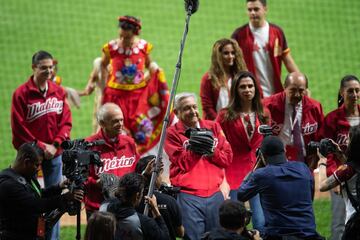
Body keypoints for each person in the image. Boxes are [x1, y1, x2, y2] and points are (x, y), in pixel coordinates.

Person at [10, 50, 72, 240]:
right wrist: (40, 146)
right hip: (29, 158)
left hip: (55, 155)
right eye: (43, 68)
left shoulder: (58, 92)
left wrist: (55, 144)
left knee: (55, 202)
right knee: (29, 198)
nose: (48, 71)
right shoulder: (21, 94)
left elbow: (66, 122)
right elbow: (19, 127)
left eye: (50, 67)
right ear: (33, 68)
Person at [164, 92, 233, 240]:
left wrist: (211, 151)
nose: (193, 111)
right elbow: (184, 163)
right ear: (177, 112)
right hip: (188, 197)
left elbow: (227, 158)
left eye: (194, 107)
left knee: (219, 237)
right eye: (187, 108)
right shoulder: (172, 133)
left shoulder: (213, 127)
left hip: (215, 194)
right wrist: (197, 148)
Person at [100, 15, 169, 155]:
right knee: (116, 130)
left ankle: (137, 160)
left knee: (140, 131)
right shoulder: (111, 47)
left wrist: (153, 75)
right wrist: (103, 84)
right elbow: (102, 65)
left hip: (138, 98)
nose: (122, 32)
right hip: (115, 97)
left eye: (126, 29)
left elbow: (149, 65)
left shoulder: (143, 47)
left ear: (134, 31)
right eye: (121, 28)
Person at [237, 136, 324, 240]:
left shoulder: (262, 175)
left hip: (278, 236)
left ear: (262, 155)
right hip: (309, 235)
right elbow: (310, 198)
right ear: (284, 150)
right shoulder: (303, 168)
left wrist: (256, 167)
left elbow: (241, 194)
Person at [216, 71, 270, 233]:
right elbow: (218, 142)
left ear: (256, 89)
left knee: (261, 223)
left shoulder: (264, 113)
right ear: (236, 91)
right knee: (234, 224)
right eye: (242, 87)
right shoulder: (225, 115)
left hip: (258, 173)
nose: (247, 90)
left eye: (250, 86)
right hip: (233, 173)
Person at [0, 142, 83, 240]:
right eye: (37, 165)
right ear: (26, 162)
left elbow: (37, 194)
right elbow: (37, 205)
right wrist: (65, 197)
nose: (38, 168)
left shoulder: (24, 176)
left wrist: (59, 187)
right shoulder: (9, 185)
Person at [319, 75, 360, 240]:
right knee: (339, 221)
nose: (355, 95)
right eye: (350, 91)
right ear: (342, 93)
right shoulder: (332, 119)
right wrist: (333, 173)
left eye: (357, 90)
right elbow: (328, 151)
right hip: (341, 175)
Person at [231, 0, 299, 97]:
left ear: (265, 9)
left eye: (256, 9)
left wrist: (301, 83)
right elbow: (230, 64)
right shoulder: (238, 35)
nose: (252, 13)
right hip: (251, 95)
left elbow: (287, 60)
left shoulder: (277, 32)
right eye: (249, 10)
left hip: (276, 93)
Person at [83, 103, 140, 219]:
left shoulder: (129, 143)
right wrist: (96, 183)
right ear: (102, 123)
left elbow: (137, 169)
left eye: (121, 120)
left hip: (125, 207)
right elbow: (80, 178)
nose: (120, 125)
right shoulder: (88, 145)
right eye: (115, 121)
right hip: (98, 208)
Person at [263, 72, 324, 166]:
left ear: (306, 90)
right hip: (276, 162)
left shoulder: (314, 107)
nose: (297, 94)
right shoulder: (268, 106)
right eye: (292, 90)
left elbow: (322, 136)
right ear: (284, 87)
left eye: (301, 90)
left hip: (306, 162)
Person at [318, 125, 360, 240]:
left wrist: (322, 161)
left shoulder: (347, 170)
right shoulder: (351, 168)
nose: (346, 140)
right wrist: (339, 153)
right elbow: (355, 169)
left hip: (354, 225)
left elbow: (322, 186)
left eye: (349, 138)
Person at [105, 172, 170, 240]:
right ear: (137, 196)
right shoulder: (144, 222)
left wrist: (143, 173)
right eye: (142, 193)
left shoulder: (104, 206)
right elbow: (165, 238)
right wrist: (156, 210)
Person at [135, 155, 185, 240]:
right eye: (161, 173)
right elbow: (180, 233)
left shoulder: (131, 199)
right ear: (157, 174)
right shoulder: (169, 201)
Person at [200, 38, 247, 120]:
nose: (230, 56)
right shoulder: (208, 78)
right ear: (218, 56)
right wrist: (220, 124)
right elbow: (207, 107)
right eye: (226, 53)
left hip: (238, 123)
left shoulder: (241, 76)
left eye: (233, 53)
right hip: (215, 126)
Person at [78, 57, 106, 133]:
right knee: (99, 131)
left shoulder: (119, 64)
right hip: (101, 104)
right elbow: (93, 75)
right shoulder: (99, 63)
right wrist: (89, 85)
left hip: (118, 103)